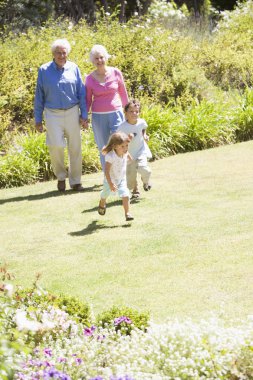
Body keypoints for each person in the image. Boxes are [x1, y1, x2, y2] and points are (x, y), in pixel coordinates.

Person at [34, 38, 88, 192]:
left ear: (67, 54)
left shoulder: (74, 68)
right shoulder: (44, 70)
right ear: (53, 54)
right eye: (58, 53)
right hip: (52, 113)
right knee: (56, 145)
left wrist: (84, 114)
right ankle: (61, 177)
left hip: (72, 111)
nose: (61, 55)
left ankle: (76, 181)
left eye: (64, 53)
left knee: (75, 147)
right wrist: (38, 119)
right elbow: (39, 96)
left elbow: (81, 93)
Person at [85, 44, 129, 171]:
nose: (99, 61)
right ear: (93, 61)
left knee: (120, 143)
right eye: (96, 58)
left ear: (106, 58)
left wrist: (128, 112)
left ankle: (121, 173)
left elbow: (123, 93)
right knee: (103, 147)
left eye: (101, 57)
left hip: (116, 113)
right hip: (98, 117)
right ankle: (107, 177)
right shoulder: (89, 79)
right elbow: (87, 100)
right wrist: (84, 116)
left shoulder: (116, 72)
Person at [118, 99, 152, 199]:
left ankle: (146, 182)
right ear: (125, 113)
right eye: (131, 111)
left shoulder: (141, 122)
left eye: (136, 111)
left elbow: (143, 129)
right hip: (128, 155)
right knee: (130, 179)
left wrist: (145, 136)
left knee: (145, 169)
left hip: (141, 151)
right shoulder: (122, 127)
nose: (134, 114)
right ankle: (135, 190)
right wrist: (126, 139)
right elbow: (119, 140)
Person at [98, 132, 134, 221]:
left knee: (125, 194)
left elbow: (128, 155)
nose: (125, 148)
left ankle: (127, 213)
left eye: (127, 146)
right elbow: (106, 171)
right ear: (115, 146)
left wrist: (130, 158)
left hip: (121, 179)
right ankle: (102, 202)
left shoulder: (124, 152)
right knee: (105, 194)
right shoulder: (110, 156)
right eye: (123, 146)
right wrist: (110, 184)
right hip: (110, 180)